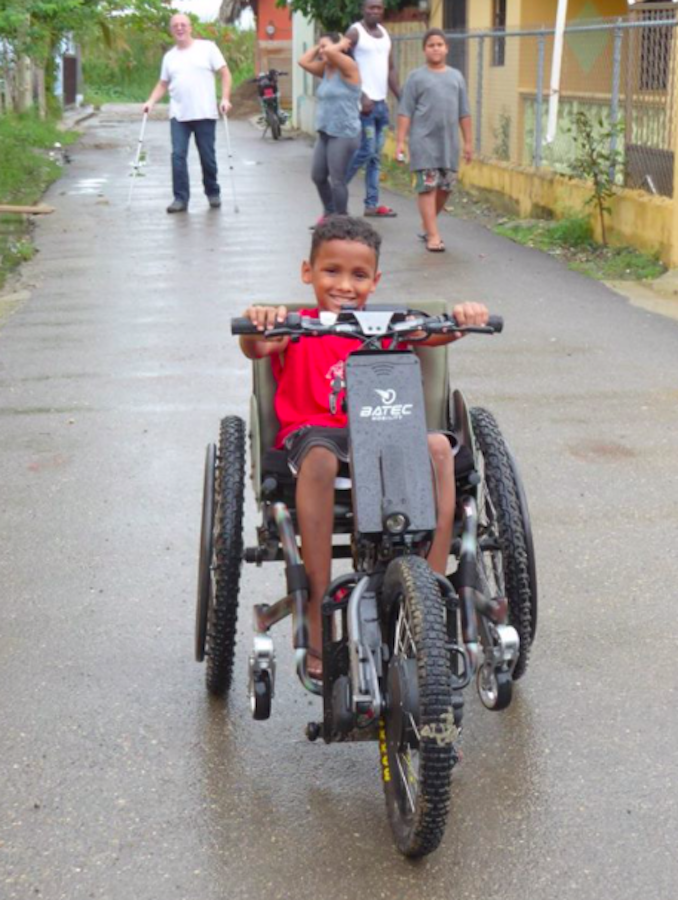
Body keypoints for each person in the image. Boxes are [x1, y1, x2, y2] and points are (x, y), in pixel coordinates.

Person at [238, 216, 488, 675]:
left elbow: (440, 331)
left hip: (387, 430)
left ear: (376, 280)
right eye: (331, 271)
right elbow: (256, 348)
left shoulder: (392, 323)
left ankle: (427, 598)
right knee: (319, 457)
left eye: (358, 276)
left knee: (436, 447)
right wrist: (260, 322)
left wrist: (465, 318)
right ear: (307, 272)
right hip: (316, 436)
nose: (345, 285)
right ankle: (314, 610)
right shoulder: (296, 326)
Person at [143, 13, 232, 214]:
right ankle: (180, 198)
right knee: (178, 156)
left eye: (183, 24)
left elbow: (225, 73)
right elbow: (163, 83)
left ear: (190, 27)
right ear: (172, 30)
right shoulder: (169, 57)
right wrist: (150, 101)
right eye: (176, 25)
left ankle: (212, 192)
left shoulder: (207, 48)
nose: (180, 28)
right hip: (179, 116)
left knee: (207, 157)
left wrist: (225, 98)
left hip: (205, 114)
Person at [395, 28, 472, 253]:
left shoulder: (456, 77)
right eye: (431, 45)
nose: (436, 48)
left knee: (445, 188)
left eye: (440, 44)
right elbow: (405, 112)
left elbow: (464, 113)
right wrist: (400, 141)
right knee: (427, 188)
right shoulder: (416, 77)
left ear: (446, 48)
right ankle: (434, 235)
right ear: (424, 50)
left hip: (449, 144)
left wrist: (468, 142)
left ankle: (427, 224)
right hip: (423, 142)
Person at [345, 1, 401, 218]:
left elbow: (391, 68)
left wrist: (401, 96)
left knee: (375, 156)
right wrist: (361, 95)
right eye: (371, 7)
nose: (375, 11)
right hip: (364, 106)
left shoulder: (385, 34)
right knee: (367, 150)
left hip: (382, 105)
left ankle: (371, 204)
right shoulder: (355, 32)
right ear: (363, 9)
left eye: (379, 8)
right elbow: (343, 65)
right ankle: (337, 189)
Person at [298, 34, 361, 222]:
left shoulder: (348, 68)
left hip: (343, 133)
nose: (322, 51)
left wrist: (339, 45)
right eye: (320, 48)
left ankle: (341, 220)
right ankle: (330, 212)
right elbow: (302, 61)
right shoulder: (326, 70)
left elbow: (333, 52)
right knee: (318, 176)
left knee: (337, 180)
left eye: (325, 47)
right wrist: (320, 46)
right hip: (325, 131)